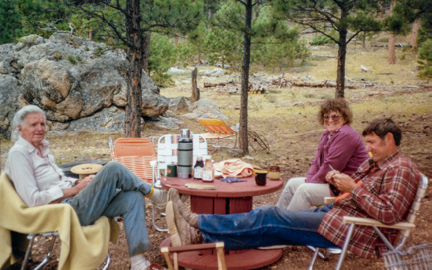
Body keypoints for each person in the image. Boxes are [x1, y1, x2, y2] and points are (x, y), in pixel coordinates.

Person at [166, 117, 421, 259]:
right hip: (337, 216)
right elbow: (357, 193)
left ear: (389, 140)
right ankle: (201, 238)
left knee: (270, 216)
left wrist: (353, 189)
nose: (368, 149)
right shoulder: (378, 163)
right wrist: (340, 190)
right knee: (270, 229)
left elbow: (389, 215)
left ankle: (198, 222)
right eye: (367, 143)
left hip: (353, 229)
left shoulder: (401, 168)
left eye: (372, 143)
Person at [5, 105, 166, 270]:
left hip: (74, 202)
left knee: (133, 197)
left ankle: (138, 263)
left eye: (42, 124)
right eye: (34, 125)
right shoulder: (19, 155)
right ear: (20, 128)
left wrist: (76, 183)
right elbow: (33, 200)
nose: (40, 129)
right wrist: (75, 190)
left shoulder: (41, 148)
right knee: (113, 168)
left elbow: (56, 181)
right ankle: (155, 194)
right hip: (62, 212)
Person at [276, 98, 369, 211]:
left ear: (345, 117)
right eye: (326, 117)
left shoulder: (346, 134)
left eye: (335, 116)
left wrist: (311, 183)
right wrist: (310, 179)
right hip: (331, 182)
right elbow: (316, 161)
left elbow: (331, 165)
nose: (330, 120)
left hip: (346, 187)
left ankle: (286, 225)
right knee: (292, 184)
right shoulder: (327, 134)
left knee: (304, 190)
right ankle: (276, 217)